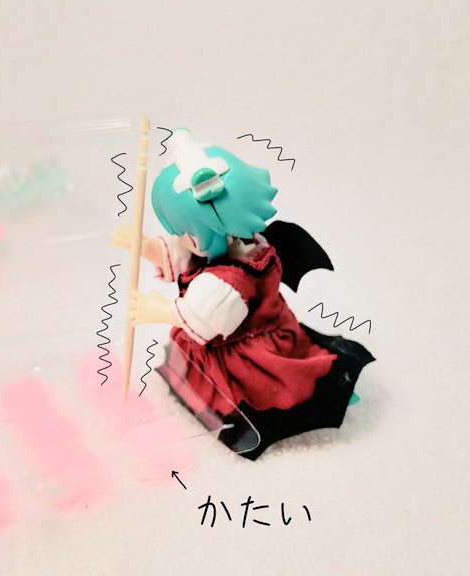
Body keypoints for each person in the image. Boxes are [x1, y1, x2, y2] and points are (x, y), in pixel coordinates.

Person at [113, 129, 374, 459]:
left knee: (271, 390)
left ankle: (312, 401)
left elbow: (207, 320)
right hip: (220, 334)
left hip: (246, 345)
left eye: (187, 233)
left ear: (215, 229)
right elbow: (184, 255)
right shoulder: (218, 247)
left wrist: (161, 311)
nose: (182, 240)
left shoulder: (233, 280)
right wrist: (145, 247)